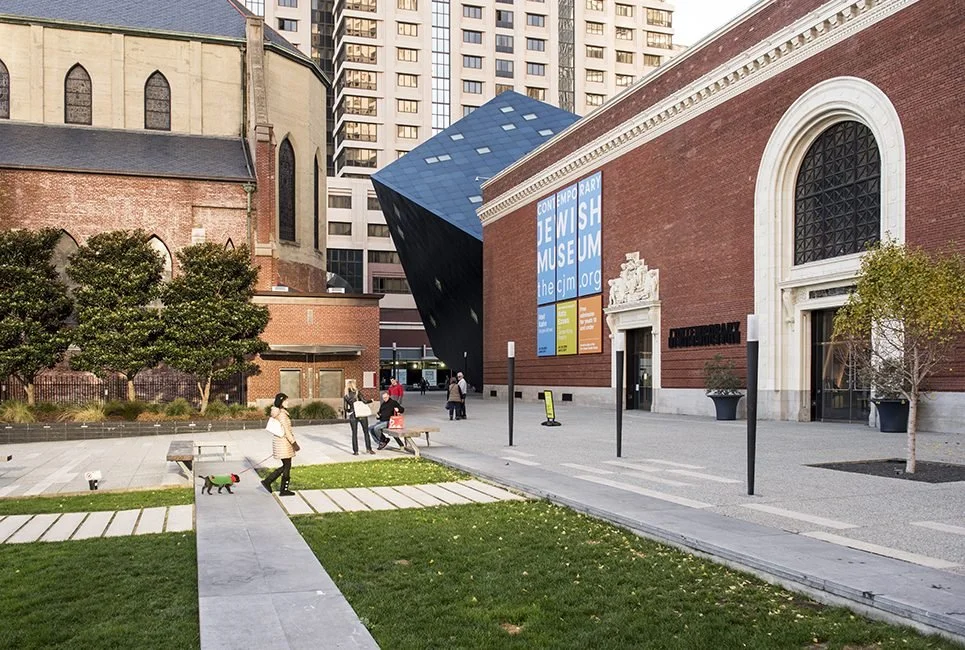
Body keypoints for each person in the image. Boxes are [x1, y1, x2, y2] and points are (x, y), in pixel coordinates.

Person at [262, 393, 297, 496]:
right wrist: (294, 443)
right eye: (286, 400)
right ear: (281, 402)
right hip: (284, 442)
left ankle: (280, 487)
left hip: (280, 442)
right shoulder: (282, 414)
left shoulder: (277, 412)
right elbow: (286, 431)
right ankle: (271, 483)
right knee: (287, 465)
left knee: (286, 465)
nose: (288, 402)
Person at [344, 379, 374, 455]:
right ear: (354, 385)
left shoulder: (346, 396)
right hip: (361, 413)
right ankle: (369, 449)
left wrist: (350, 410)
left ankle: (356, 451)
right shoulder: (357, 392)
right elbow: (364, 401)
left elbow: (345, 408)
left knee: (354, 433)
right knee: (366, 432)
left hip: (353, 415)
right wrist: (371, 400)